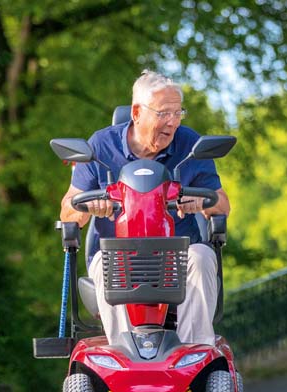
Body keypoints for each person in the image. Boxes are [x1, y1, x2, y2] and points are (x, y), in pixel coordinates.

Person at [59, 70, 230, 345]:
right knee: (106, 263)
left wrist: (203, 200)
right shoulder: (101, 146)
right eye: (164, 113)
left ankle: (194, 354)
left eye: (178, 113)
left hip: (179, 254)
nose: (172, 122)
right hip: (118, 254)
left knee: (201, 256)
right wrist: (89, 206)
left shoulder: (190, 145)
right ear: (137, 112)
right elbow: (68, 211)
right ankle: (124, 353)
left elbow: (222, 205)